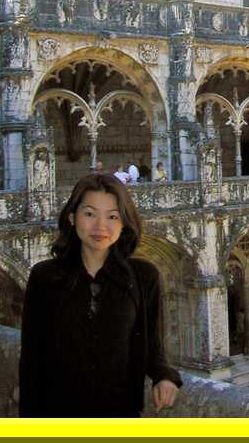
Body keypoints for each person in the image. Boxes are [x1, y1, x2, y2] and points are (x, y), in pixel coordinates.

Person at [19, 172, 181, 417]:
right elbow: (31, 361)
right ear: (72, 218)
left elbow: (151, 347)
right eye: (90, 214)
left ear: (124, 222)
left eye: (113, 216)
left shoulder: (144, 276)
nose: (101, 227)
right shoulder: (44, 277)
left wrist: (165, 376)